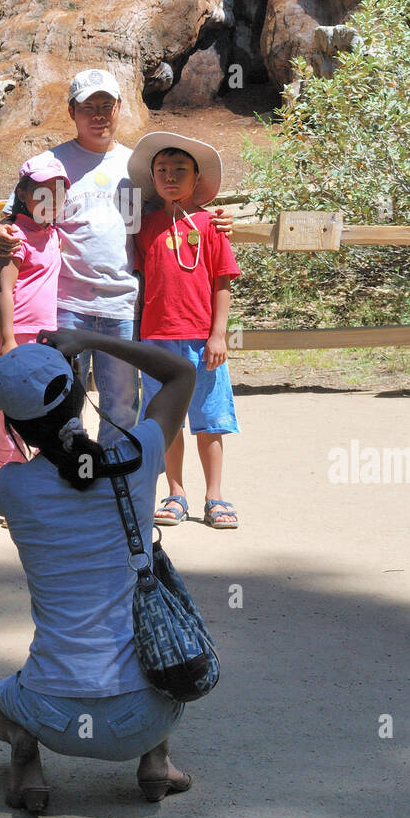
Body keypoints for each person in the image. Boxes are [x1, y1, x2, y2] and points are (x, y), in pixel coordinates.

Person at [0, 328, 198, 812]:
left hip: (51, 714)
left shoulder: (11, 486)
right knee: (152, 645)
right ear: (80, 396)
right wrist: (90, 341)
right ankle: (156, 760)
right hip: (148, 713)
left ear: (15, 423)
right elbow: (181, 373)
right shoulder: (137, 457)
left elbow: (64, 465)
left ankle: (26, 759)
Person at [0, 67, 240, 444]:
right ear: (72, 111)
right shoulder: (51, 165)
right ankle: (66, 483)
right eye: (88, 106)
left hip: (123, 305)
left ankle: (112, 490)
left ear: (120, 108)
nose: (99, 114)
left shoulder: (138, 168)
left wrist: (219, 216)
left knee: (122, 404)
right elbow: (14, 217)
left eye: (107, 105)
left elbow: (177, 208)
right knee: (61, 400)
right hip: (66, 305)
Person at [128, 132, 242, 529]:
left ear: (198, 178)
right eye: (162, 170)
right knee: (167, 419)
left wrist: (218, 334)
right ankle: (176, 492)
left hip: (200, 339)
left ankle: (216, 496)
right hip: (156, 339)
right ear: (152, 177)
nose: (170, 176)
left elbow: (222, 281)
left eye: (180, 170)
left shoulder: (212, 226)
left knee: (209, 420)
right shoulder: (144, 225)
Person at [0, 155, 69, 466]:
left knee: (41, 410)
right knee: (15, 413)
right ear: (22, 194)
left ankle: (35, 488)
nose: (52, 199)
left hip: (40, 338)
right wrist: (8, 341)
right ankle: (12, 490)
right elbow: (4, 289)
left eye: (58, 192)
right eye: (42, 192)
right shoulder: (15, 235)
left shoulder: (52, 232)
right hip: (14, 336)